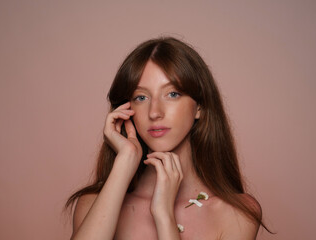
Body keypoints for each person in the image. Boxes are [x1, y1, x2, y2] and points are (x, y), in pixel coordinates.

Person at [66, 37, 270, 240]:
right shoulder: (93, 204)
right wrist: (125, 161)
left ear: (199, 106)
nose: (154, 112)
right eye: (141, 97)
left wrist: (164, 215)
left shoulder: (237, 213)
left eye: (172, 94)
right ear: (126, 108)